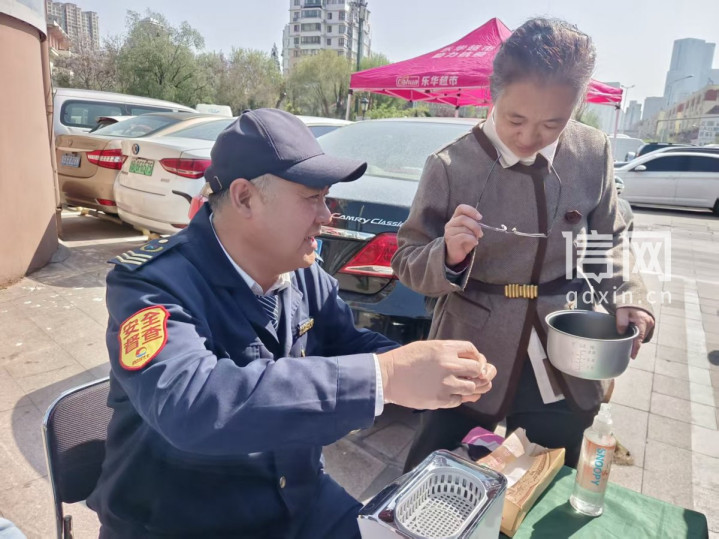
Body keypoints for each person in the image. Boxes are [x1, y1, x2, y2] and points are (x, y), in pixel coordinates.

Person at [86, 108, 496, 538]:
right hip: (183, 520)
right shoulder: (152, 284)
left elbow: (346, 342)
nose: (326, 215)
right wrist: (386, 377)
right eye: (311, 197)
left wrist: (426, 367)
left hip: (296, 499)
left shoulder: (300, 271)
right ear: (244, 198)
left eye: (327, 198)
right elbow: (191, 404)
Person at [391, 18, 655, 472]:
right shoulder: (451, 165)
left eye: (553, 123)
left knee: (552, 474)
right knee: (435, 468)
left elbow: (610, 237)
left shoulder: (592, 152)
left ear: (576, 107)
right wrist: (447, 256)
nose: (530, 138)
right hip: (472, 341)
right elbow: (407, 260)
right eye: (515, 119)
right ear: (493, 94)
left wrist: (629, 294)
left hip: (565, 343)